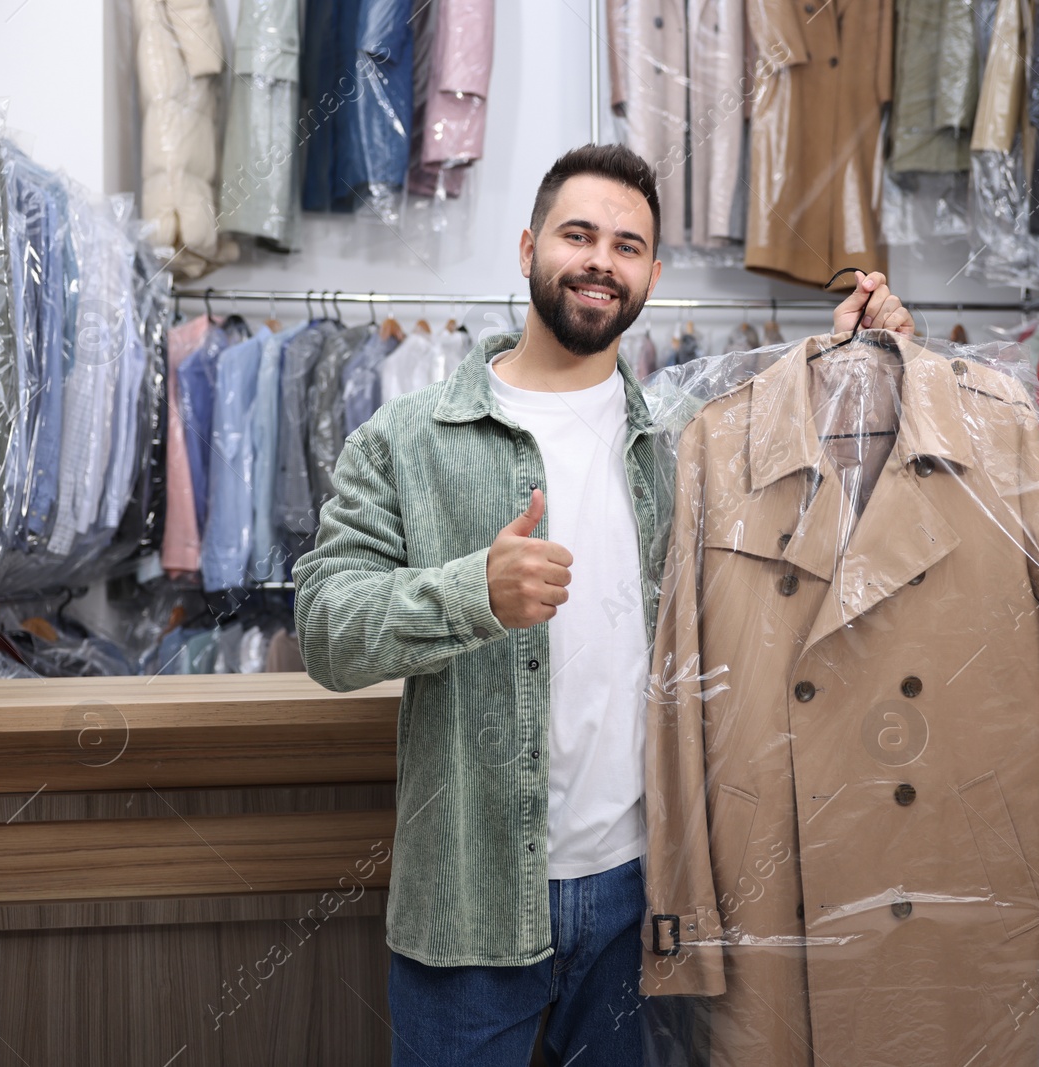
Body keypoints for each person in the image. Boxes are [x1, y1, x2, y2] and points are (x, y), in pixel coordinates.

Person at [293, 143, 915, 1066]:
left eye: (628, 246)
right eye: (577, 234)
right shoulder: (404, 440)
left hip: (644, 899)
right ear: (527, 246)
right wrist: (473, 593)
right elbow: (326, 633)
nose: (600, 260)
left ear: (653, 274)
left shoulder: (690, 444)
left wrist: (877, 355)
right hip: (468, 906)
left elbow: (823, 537)